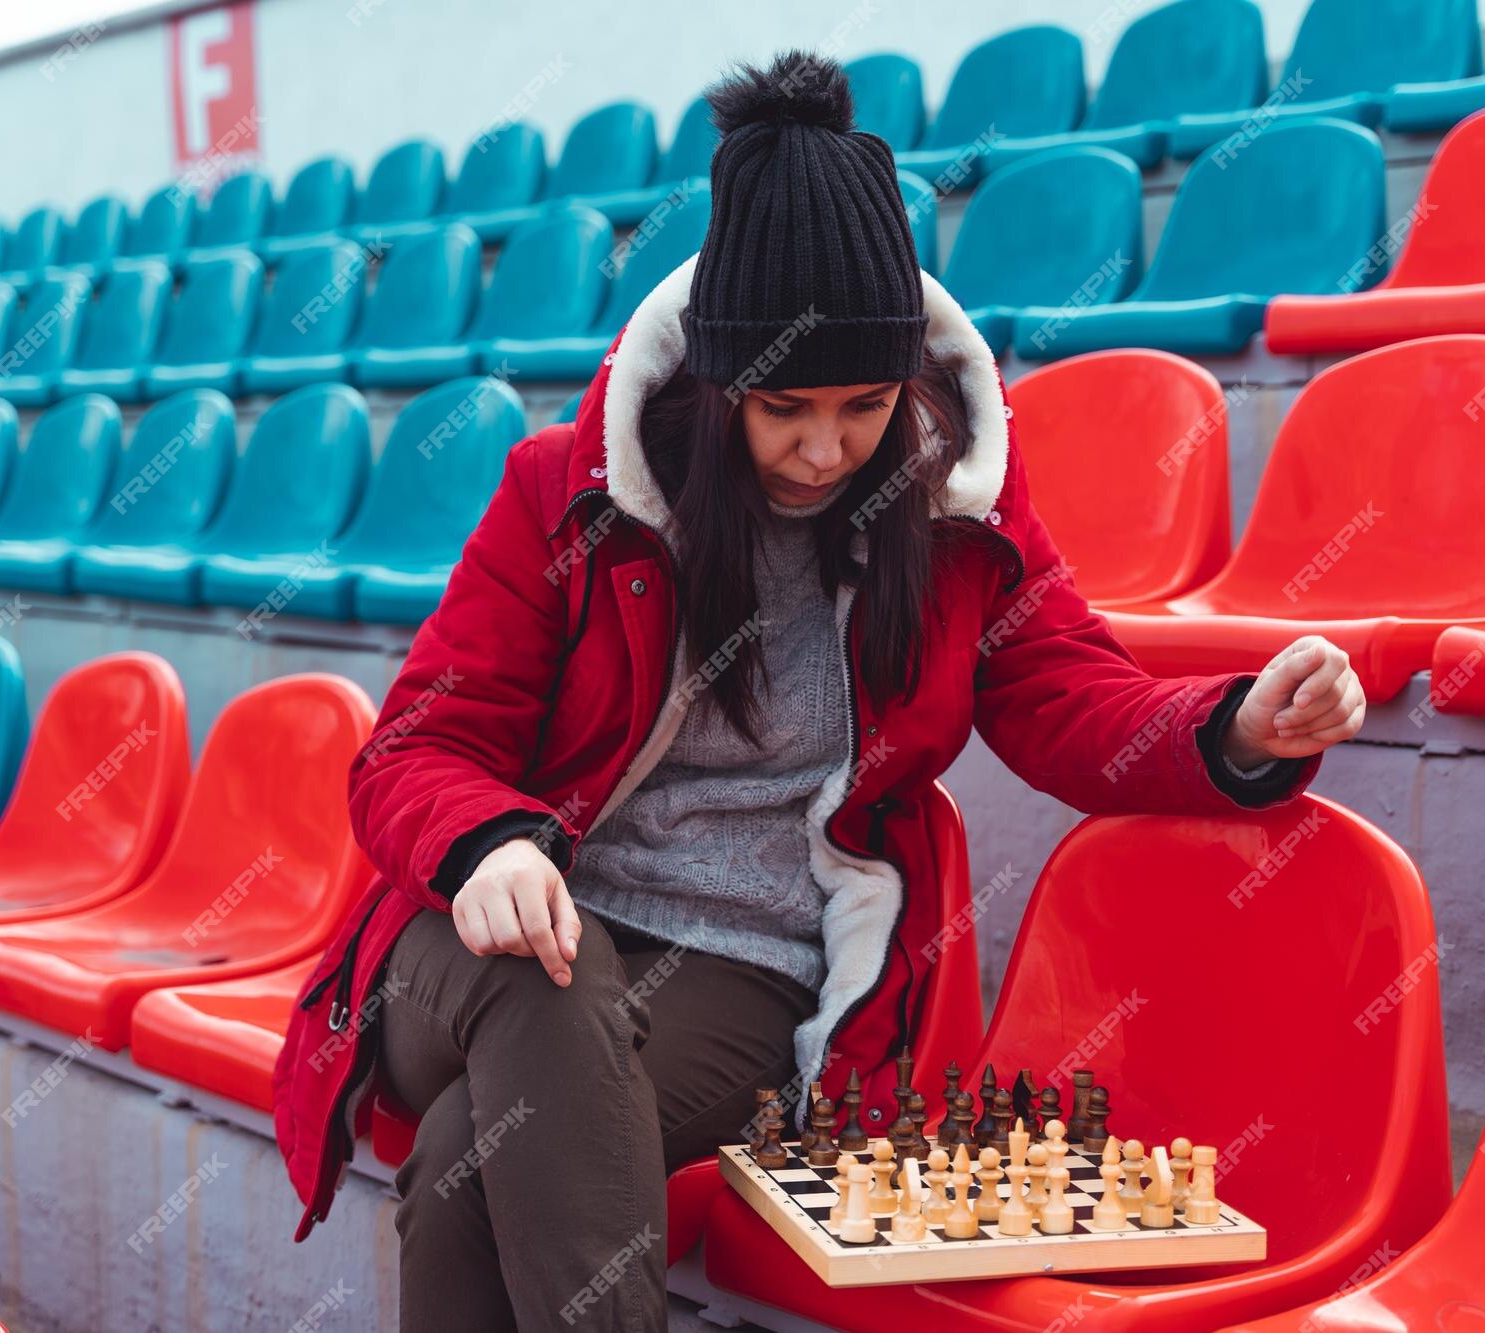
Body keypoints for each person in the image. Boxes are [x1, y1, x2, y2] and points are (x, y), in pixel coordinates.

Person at [275, 49, 1364, 1331]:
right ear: (714, 384)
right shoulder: (561, 493)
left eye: (862, 407)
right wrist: (488, 844)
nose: (821, 449)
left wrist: (1230, 726)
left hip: (741, 969)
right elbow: (412, 749)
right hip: (475, 937)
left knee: (473, 1151)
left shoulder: (953, 505)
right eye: (782, 407)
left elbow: (1061, 689)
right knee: (540, 977)